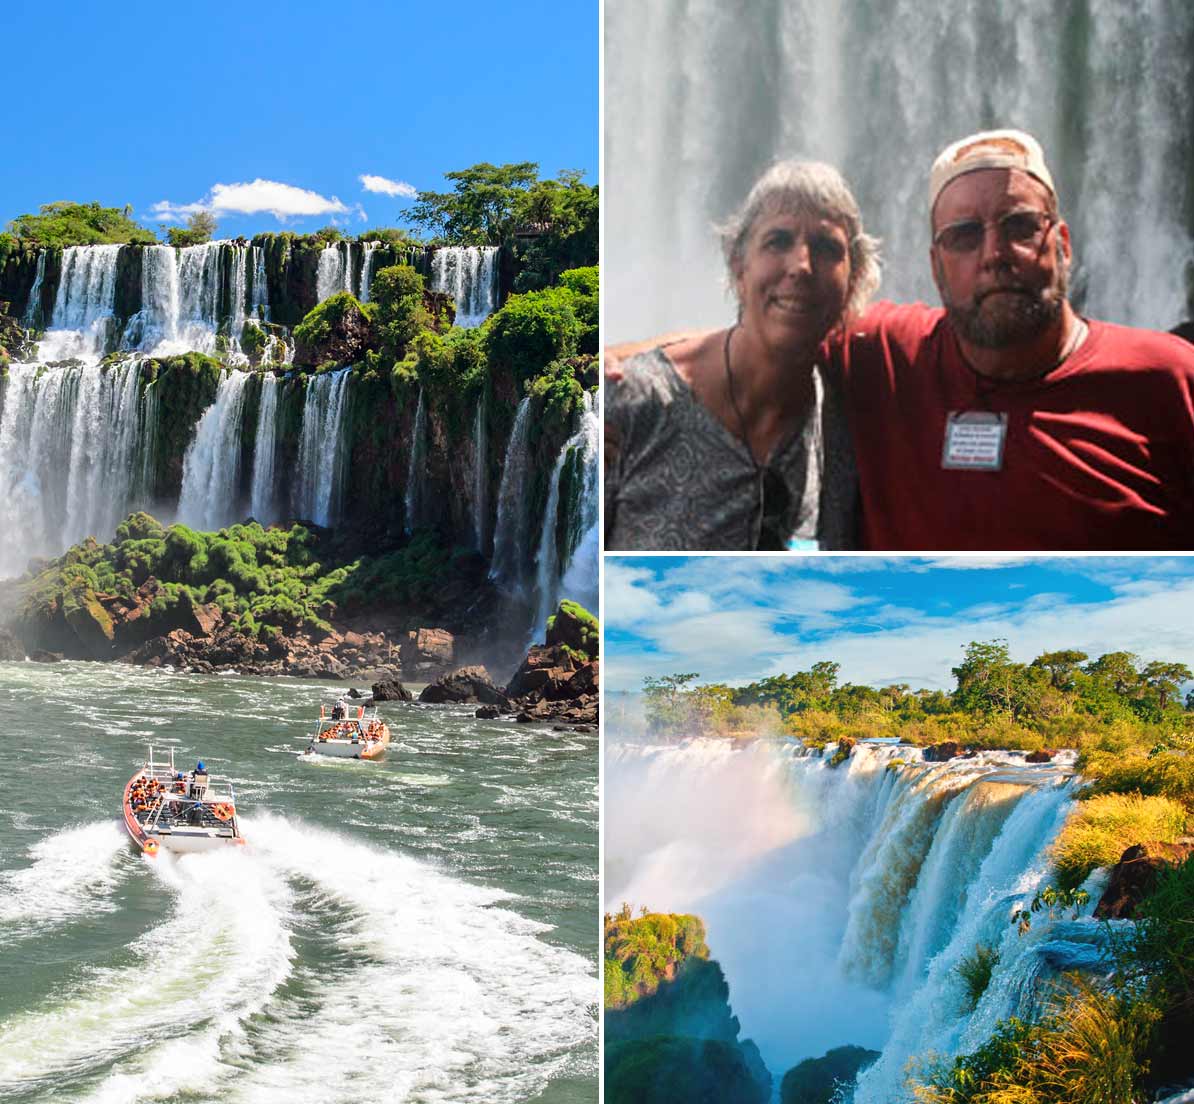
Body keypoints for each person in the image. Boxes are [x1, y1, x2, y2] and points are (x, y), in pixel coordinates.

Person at [609, 130, 1194, 550]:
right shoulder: (891, 353)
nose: (994, 255)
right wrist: (627, 361)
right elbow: (773, 325)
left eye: (1020, 227)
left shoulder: (1171, 378)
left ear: (1061, 242)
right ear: (937, 265)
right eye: (965, 236)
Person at [604, 160, 880, 550]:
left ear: (853, 281)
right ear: (739, 266)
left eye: (826, 247)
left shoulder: (853, 420)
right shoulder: (632, 402)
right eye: (777, 241)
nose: (801, 266)